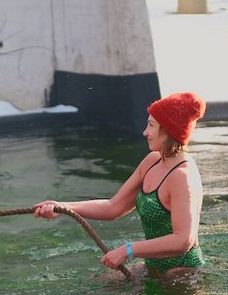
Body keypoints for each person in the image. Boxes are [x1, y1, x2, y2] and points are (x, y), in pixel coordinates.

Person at [34, 91, 206, 275]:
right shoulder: (152, 161)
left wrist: (128, 250)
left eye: (151, 125)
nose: (145, 132)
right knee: (103, 292)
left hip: (182, 275)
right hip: (153, 268)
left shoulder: (181, 176)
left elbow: (183, 240)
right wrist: (62, 207)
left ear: (168, 131)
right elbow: (113, 206)